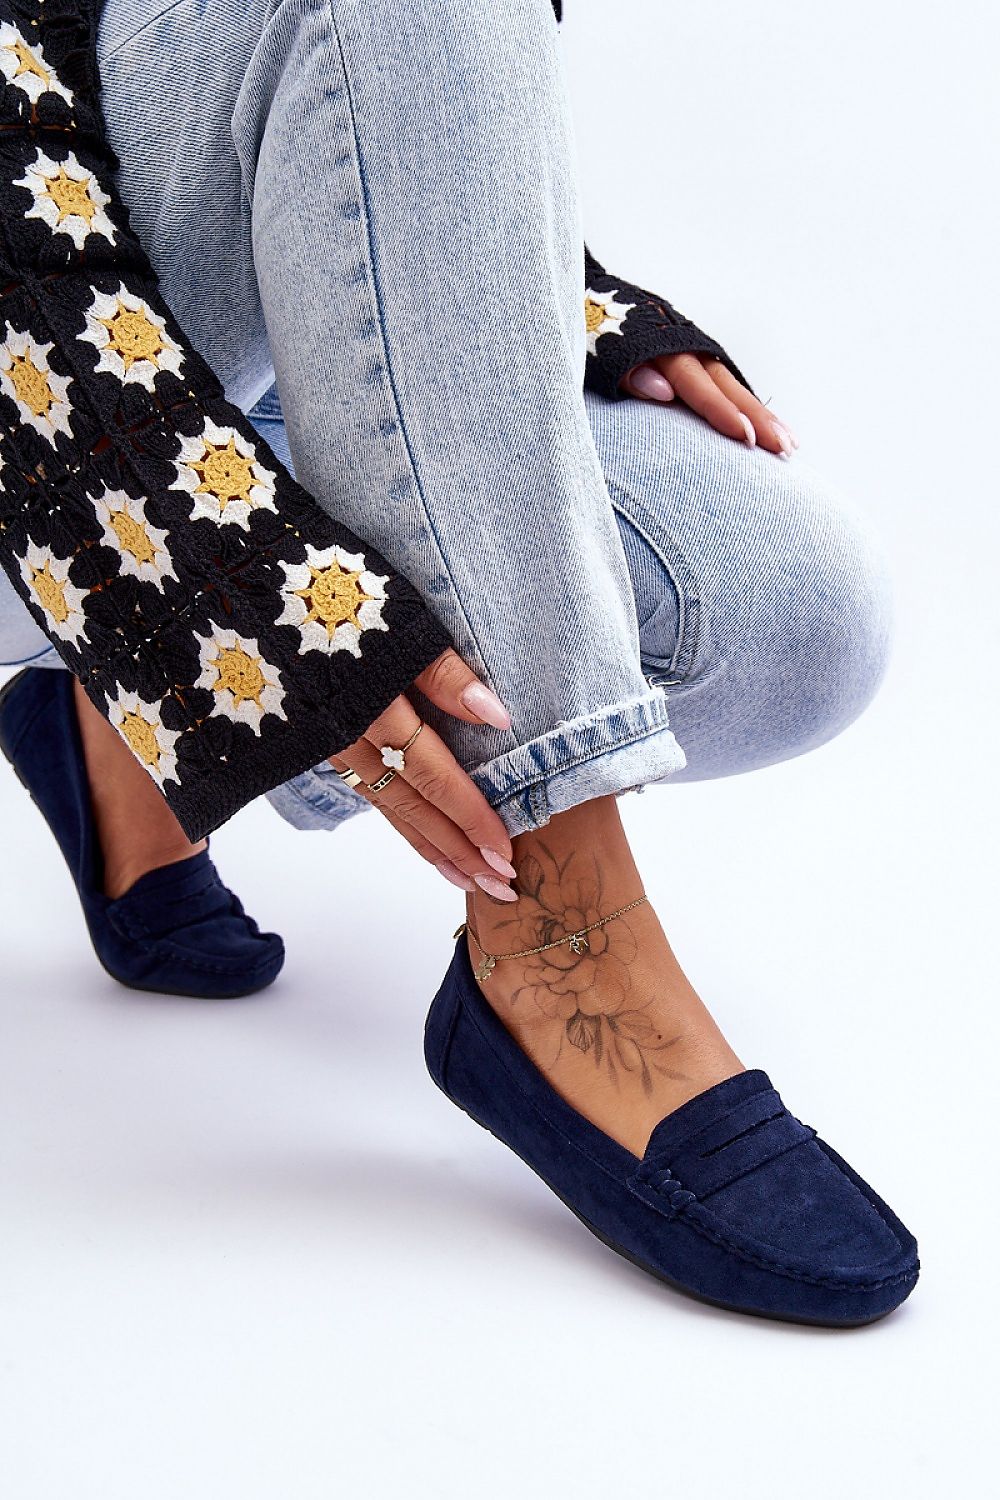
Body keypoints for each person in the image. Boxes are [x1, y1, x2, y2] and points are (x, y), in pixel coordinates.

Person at [0, 0, 918, 1323]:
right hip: (42, 394)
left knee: (803, 615)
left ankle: (133, 701)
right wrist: (211, 575)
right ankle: (555, 933)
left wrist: (539, 281)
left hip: (166, 292)